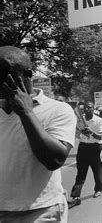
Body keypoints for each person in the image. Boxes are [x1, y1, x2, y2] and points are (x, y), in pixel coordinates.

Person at [0, 46, 76, 221]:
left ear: (27, 74)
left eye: (4, 73)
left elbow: (54, 159)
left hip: (41, 212)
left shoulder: (58, 110)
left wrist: (26, 113)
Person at [68, 101, 102, 207]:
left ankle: (98, 189)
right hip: (83, 147)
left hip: (95, 148)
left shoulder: (99, 121)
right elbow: (76, 134)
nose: (87, 109)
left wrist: (91, 132)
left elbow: (101, 137)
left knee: (96, 171)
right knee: (81, 173)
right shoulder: (81, 120)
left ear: (93, 108)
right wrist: (80, 133)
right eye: (85, 108)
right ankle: (75, 196)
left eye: (89, 107)